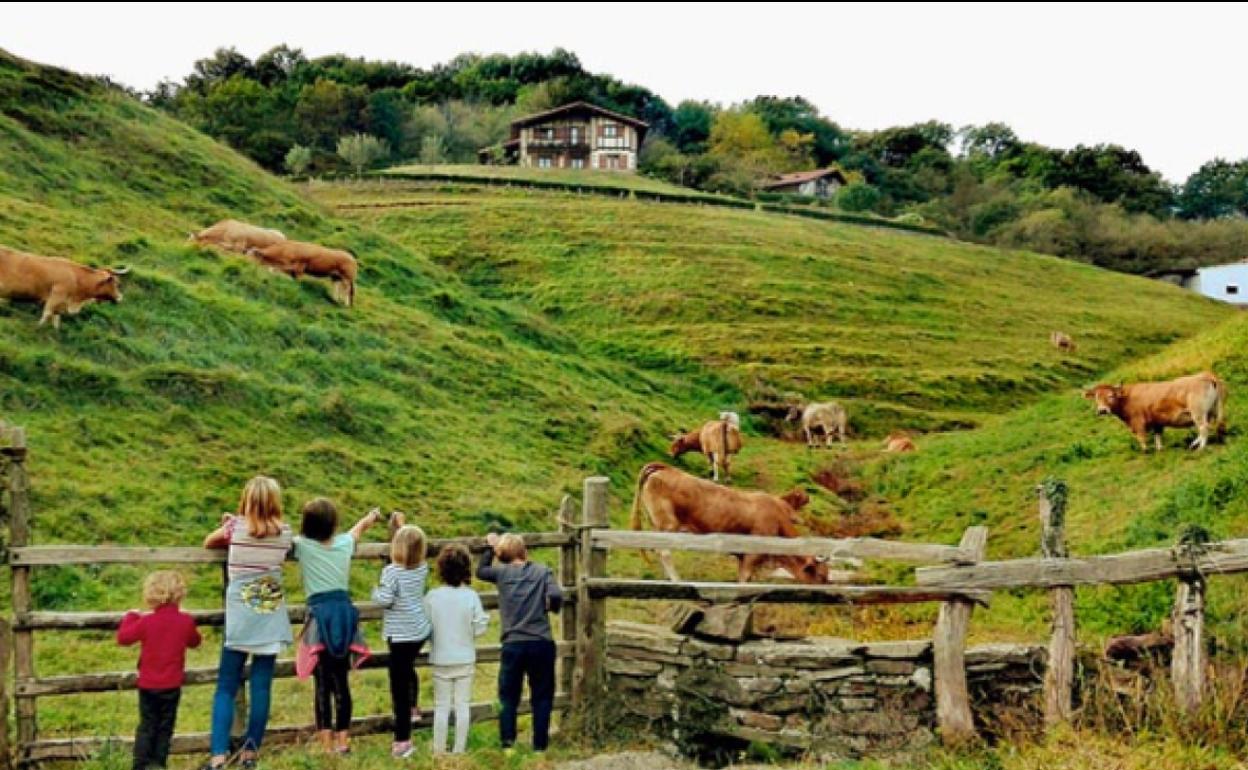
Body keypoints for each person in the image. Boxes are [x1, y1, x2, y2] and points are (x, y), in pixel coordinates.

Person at [202, 476, 293, 770]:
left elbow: (209, 542)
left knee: (226, 685)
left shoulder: (234, 528)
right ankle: (250, 753)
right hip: (269, 609)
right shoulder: (285, 532)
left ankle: (218, 755)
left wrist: (234, 521)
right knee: (262, 685)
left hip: (240, 612)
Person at [292, 499, 380, 755]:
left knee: (321, 682)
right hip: (343, 614)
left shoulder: (301, 546)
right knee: (341, 681)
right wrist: (370, 517)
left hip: (320, 617)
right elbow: (357, 531)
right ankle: (344, 741)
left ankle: (326, 743)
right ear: (334, 524)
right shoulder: (343, 543)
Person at [476, 532, 562, 752]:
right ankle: (539, 746)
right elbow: (555, 597)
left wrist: (489, 547)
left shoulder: (502, 573)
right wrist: (548, 607)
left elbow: (481, 571)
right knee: (542, 696)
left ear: (502, 557)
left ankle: (508, 744)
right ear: (525, 552)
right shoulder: (543, 571)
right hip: (541, 641)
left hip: (513, 643)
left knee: (508, 696)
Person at [117, 571, 201, 770]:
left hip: (148, 684)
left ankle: (140, 764)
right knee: (165, 727)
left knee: (147, 725)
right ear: (180, 594)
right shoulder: (185, 621)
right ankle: (159, 763)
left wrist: (130, 616)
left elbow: (123, 638)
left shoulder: (146, 622)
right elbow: (195, 641)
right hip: (172, 684)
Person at [424, 543, 489, 755]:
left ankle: (438, 749)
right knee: (463, 705)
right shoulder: (471, 596)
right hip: (464, 657)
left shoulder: (432, 597)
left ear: (441, 569)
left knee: (441, 706)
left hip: (440, 657)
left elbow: (425, 627)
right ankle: (459, 749)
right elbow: (480, 628)